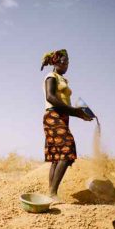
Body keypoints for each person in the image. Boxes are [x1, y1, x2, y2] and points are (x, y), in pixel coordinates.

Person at [41, 49, 93, 201]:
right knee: (67, 147)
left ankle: (51, 193)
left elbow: (65, 104)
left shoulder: (63, 79)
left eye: (68, 62)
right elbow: (50, 97)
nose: (66, 65)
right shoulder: (51, 76)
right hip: (53, 116)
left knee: (57, 156)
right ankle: (52, 193)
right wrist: (74, 111)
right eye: (64, 62)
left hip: (62, 117)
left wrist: (80, 114)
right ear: (56, 63)